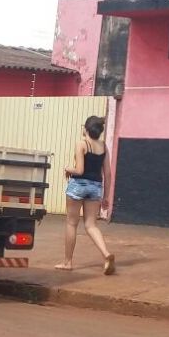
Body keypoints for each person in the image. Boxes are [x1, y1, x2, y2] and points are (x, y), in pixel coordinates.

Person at [56, 116, 115, 275]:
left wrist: (68, 169)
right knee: (91, 225)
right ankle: (106, 254)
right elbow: (108, 174)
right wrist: (106, 197)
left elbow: (80, 170)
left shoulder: (81, 144)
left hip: (78, 186)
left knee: (71, 223)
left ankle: (68, 262)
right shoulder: (104, 146)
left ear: (86, 129)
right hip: (96, 187)